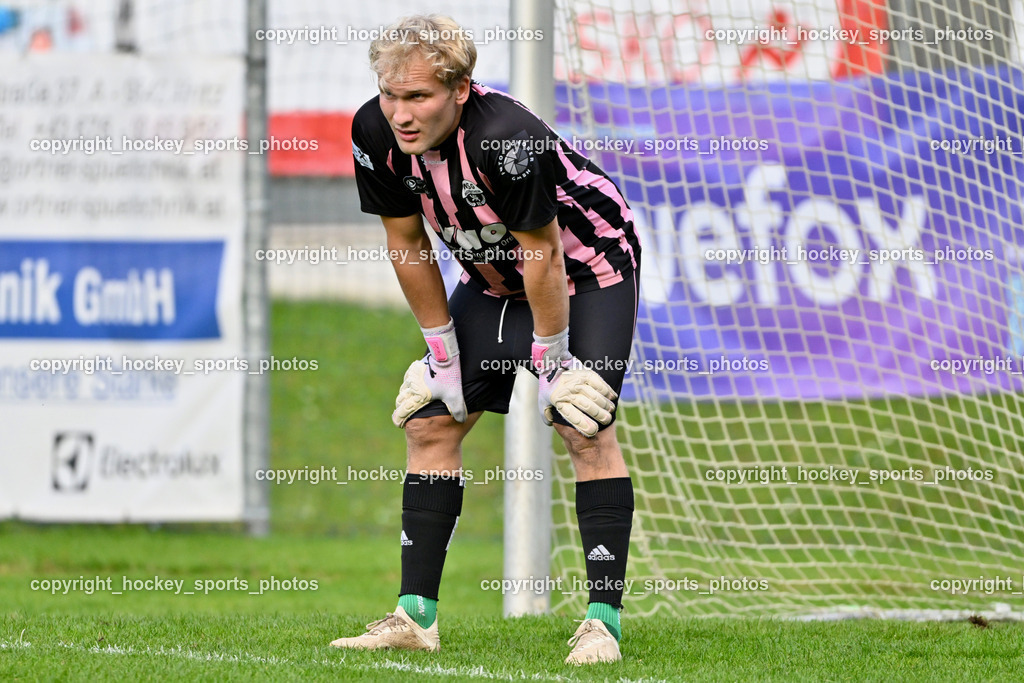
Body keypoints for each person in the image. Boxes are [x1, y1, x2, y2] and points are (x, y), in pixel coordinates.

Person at [330, 14, 640, 665]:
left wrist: (554, 362)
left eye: (418, 97)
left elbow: (545, 255)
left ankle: (602, 623)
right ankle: (415, 618)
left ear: (461, 89)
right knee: (430, 422)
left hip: (586, 271)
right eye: (391, 95)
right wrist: (440, 354)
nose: (401, 114)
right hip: (492, 276)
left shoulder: (507, 138)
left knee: (582, 421)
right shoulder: (372, 131)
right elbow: (407, 243)